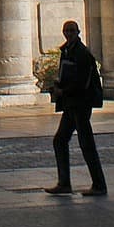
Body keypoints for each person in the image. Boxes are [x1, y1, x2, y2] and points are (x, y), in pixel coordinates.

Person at [46, 19, 107, 196]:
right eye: (67, 30)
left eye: (72, 30)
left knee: (86, 144)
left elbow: (82, 82)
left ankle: (99, 185)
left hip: (80, 103)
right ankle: (64, 183)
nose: (69, 33)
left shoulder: (82, 53)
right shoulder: (67, 51)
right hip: (71, 104)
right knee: (60, 140)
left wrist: (62, 91)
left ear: (78, 32)